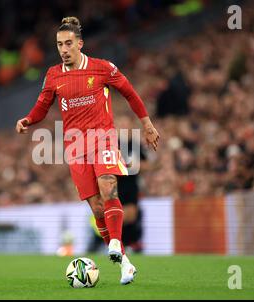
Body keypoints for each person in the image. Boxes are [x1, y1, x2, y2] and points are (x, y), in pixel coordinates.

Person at [16, 17, 159, 285]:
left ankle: (115, 242)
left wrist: (147, 124)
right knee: (96, 209)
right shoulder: (53, 75)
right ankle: (124, 263)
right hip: (76, 147)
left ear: (80, 44)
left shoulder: (102, 68)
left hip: (103, 138)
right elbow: (42, 107)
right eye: (59, 44)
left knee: (108, 187)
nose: (63, 49)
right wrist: (27, 120)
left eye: (68, 43)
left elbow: (130, 93)